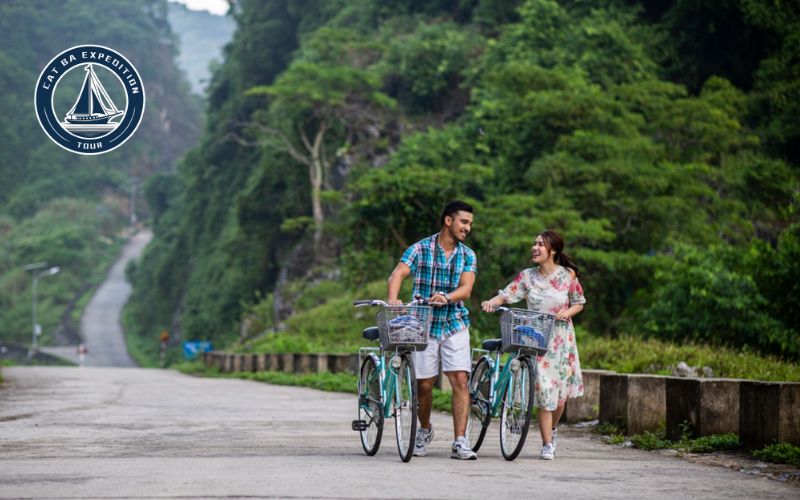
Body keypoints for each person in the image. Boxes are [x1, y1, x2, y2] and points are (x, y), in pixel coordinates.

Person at [481, 230, 586, 460]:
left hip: (561, 341)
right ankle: (547, 443)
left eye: (541, 244)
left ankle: (553, 430)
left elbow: (579, 302)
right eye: (534, 243)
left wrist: (566, 312)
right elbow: (507, 295)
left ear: (553, 250)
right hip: (535, 340)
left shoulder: (568, 275)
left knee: (559, 399)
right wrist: (492, 302)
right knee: (544, 391)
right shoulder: (527, 277)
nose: (535, 247)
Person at [387, 200, 478, 460]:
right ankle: (424, 429)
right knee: (424, 385)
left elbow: (467, 289)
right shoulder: (420, 248)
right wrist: (394, 300)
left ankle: (460, 441)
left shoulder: (467, 254)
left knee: (460, 380)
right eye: (464, 222)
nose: (467, 228)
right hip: (422, 324)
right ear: (448, 220)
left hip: (455, 323)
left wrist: (448, 297)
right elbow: (397, 275)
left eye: (470, 224)